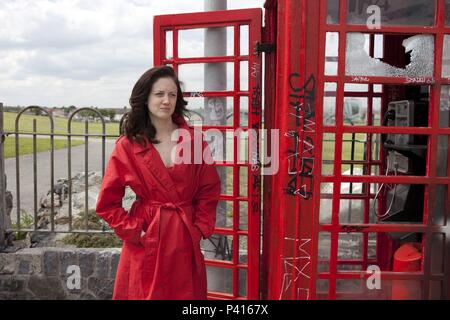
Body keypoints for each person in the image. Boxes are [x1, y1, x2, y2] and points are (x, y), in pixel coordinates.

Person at [95, 65, 221, 300]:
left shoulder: (194, 141)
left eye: (172, 95)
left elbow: (209, 189)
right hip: (147, 236)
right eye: (159, 94)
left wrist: (199, 228)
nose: (166, 100)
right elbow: (107, 203)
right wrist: (135, 232)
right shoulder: (127, 145)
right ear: (145, 98)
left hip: (183, 236)